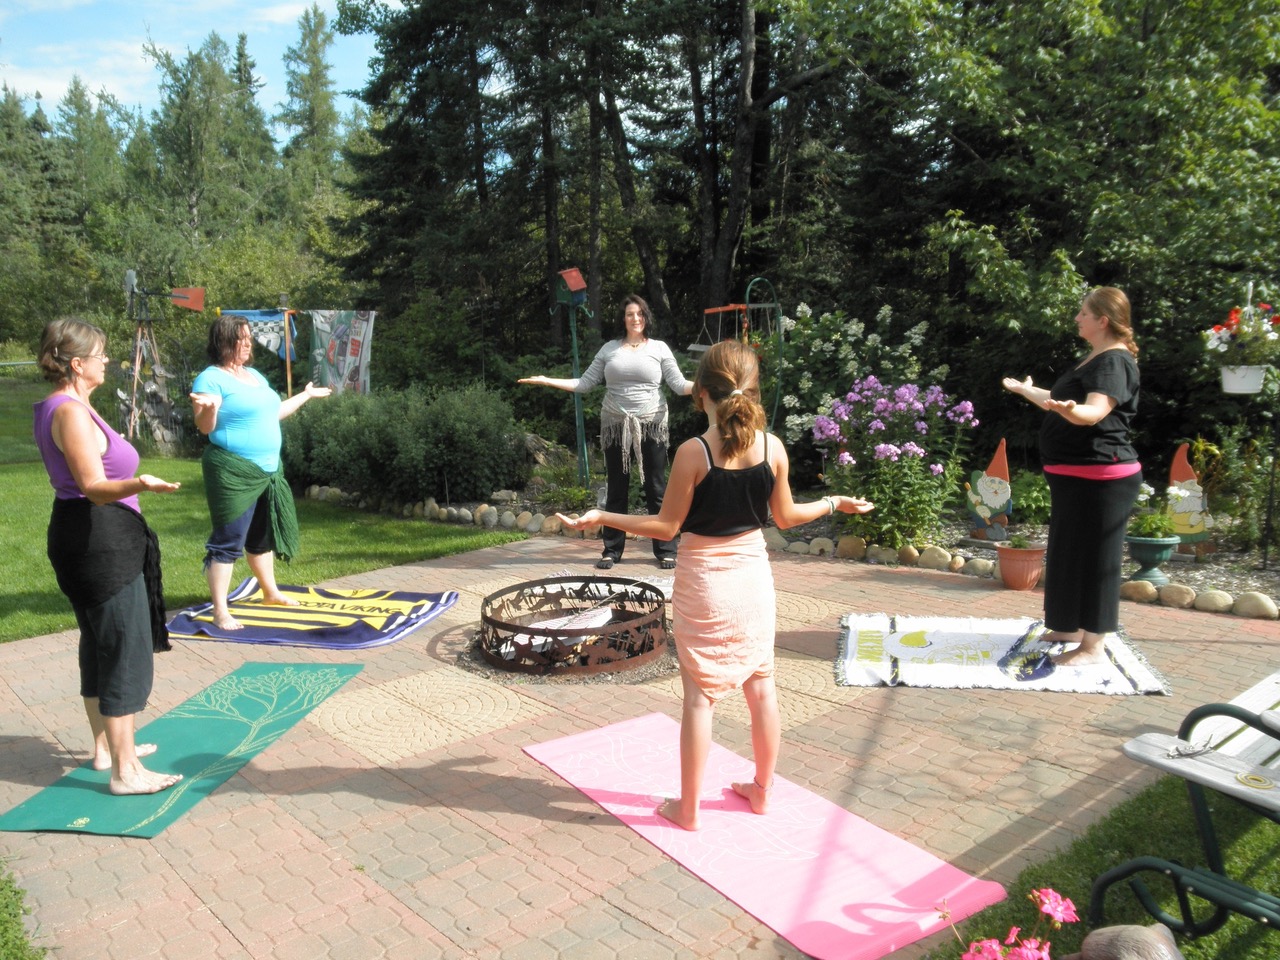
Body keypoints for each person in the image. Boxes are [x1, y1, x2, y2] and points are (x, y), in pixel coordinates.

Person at [558, 340, 873, 830]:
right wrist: (835, 501)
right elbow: (787, 518)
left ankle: (688, 810)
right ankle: (762, 792)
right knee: (763, 688)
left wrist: (602, 515)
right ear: (752, 389)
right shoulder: (772, 447)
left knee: (699, 698)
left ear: (698, 392)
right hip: (752, 582)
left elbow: (666, 528)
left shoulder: (693, 452)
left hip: (705, 583)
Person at [34, 318, 184, 795]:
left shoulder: (69, 406)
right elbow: (94, 488)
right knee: (123, 648)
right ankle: (126, 772)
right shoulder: (70, 413)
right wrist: (142, 482)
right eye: (100, 355)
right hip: (99, 542)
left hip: (92, 538)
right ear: (77, 364)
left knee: (99, 643)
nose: (107, 361)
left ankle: (107, 750)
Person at [1001, 286, 1142, 667]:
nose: (1077, 318)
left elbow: (1093, 413)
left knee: (1097, 560)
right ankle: (1066, 627)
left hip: (1103, 478)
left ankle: (1093, 647)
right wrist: (1027, 390)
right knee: (1067, 552)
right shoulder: (1094, 357)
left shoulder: (1113, 362)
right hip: (1074, 477)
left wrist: (1071, 411)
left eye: (1083, 313)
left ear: (1103, 320)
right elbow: (1061, 403)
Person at [521, 294, 693, 569]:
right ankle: (612, 550)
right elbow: (585, 383)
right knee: (617, 489)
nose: (634, 318)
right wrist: (546, 380)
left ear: (646, 317)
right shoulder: (609, 349)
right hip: (615, 425)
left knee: (656, 487)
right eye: (629, 314)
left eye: (639, 313)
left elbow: (679, 384)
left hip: (652, 423)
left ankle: (666, 549)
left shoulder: (659, 348)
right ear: (622, 319)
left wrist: (710, 385)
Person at [190, 314, 331, 630]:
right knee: (227, 540)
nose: (248, 342)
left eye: (248, 337)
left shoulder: (253, 375)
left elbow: (273, 413)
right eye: (241, 338)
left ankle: (270, 592)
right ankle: (220, 611)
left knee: (260, 537)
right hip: (232, 472)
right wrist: (209, 411)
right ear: (223, 341)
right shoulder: (210, 379)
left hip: (267, 472)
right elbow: (204, 427)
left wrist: (305, 395)